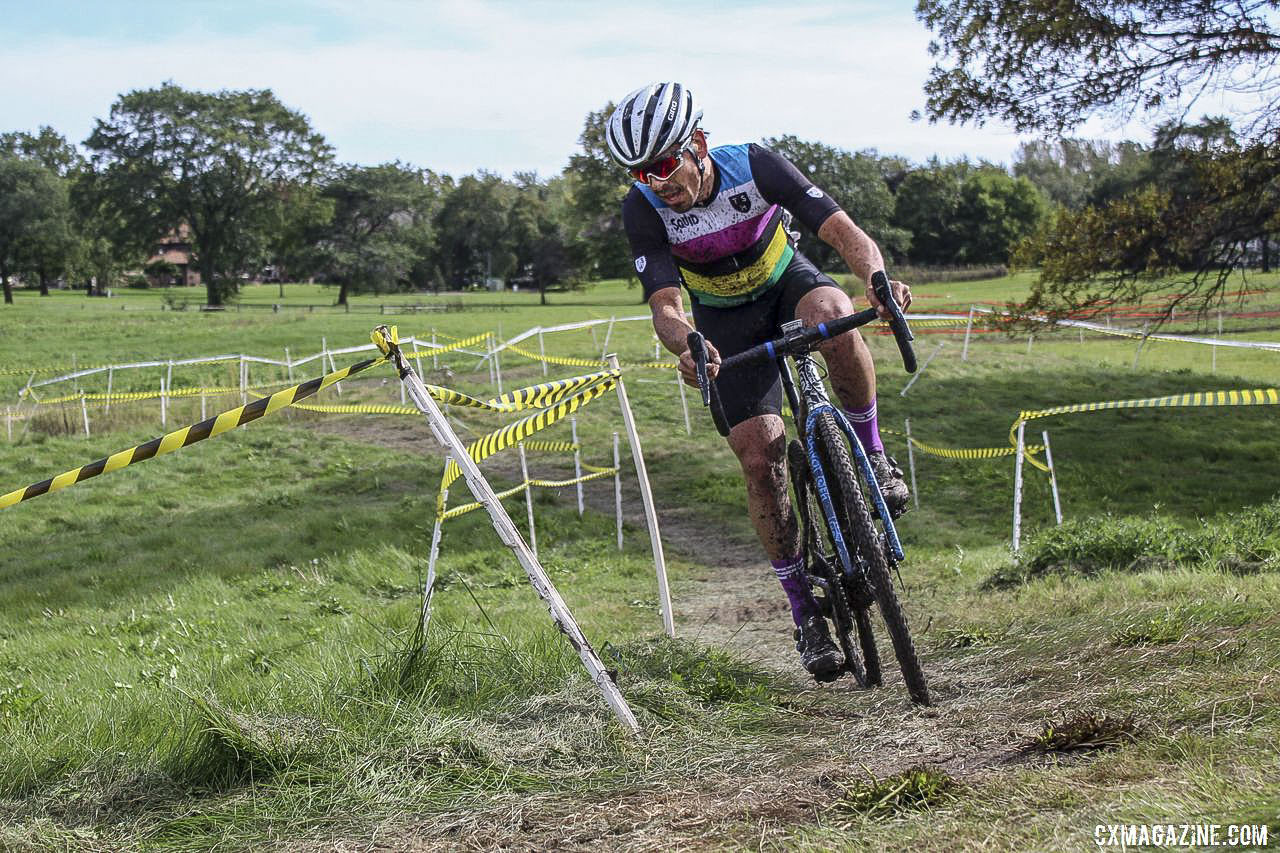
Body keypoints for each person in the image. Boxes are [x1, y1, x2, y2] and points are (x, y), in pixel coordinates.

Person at [606, 82, 913, 682]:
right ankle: (805, 613)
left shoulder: (754, 164)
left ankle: (872, 454)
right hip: (724, 321)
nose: (658, 181)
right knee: (759, 455)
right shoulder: (643, 208)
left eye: (666, 164)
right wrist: (688, 343)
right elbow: (666, 305)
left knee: (834, 318)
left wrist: (876, 278)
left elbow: (844, 232)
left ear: (697, 143)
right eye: (643, 173)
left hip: (784, 281)